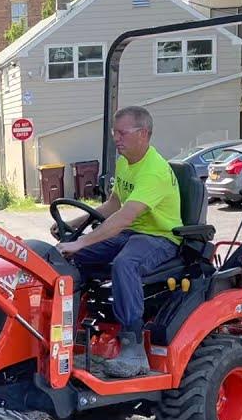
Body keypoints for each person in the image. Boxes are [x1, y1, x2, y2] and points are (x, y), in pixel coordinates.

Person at [55, 106, 182, 378]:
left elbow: (125, 216)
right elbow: (114, 204)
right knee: (72, 258)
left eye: (122, 133)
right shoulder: (126, 161)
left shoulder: (154, 172)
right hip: (132, 232)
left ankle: (133, 349)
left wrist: (82, 241)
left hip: (160, 237)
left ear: (143, 133)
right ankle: (68, 331)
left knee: (126, 264)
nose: (117, 138)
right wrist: (73, 226)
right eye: (115, 132)